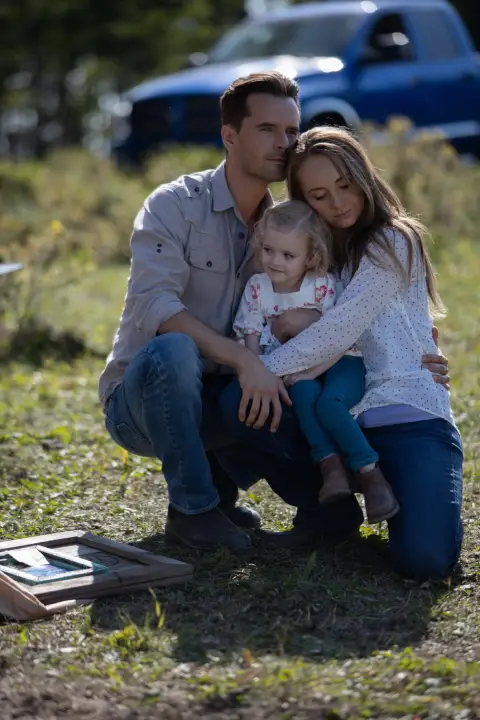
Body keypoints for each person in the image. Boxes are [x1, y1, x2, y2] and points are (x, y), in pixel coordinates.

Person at [98, 70, 448, 556]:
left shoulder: (290, 228)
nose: (284, 143)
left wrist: (420, 351)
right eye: (267, 129)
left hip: (229, 393)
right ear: (229, 135)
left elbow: (354, 311)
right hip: (146, 401)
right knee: (178, 350)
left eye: (290, 131)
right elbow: (156, 307)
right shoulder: (174, 204)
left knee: (283, 392)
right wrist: (247, 362)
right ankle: (194, 511)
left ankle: (323, 511)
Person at [221, 126, 462, 580]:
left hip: (406, 415)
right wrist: (250, 367)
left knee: (425, 562)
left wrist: (257, 369)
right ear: (304, 202)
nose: (338, 202)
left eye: (345, 185)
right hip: (335, 412)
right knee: (238, 402)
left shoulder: (393, 240)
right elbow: (274, 312)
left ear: (363, 176)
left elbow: (340, 328)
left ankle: (401, 487)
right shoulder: (308, 253)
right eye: (319, 194)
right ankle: (328, 512)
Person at [233, 200, 399, 523]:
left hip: (341, 362)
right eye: (268, 250)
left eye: (288, 255)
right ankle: (331, 468)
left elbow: (337, 336)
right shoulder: (257, 289)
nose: (275, 261)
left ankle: (371, 476)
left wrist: (305, 364)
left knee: (329, 404)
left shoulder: (321, 286)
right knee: (306, 396)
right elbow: (250, 334)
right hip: (294, 371)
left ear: (310, 257)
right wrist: (256, 373)